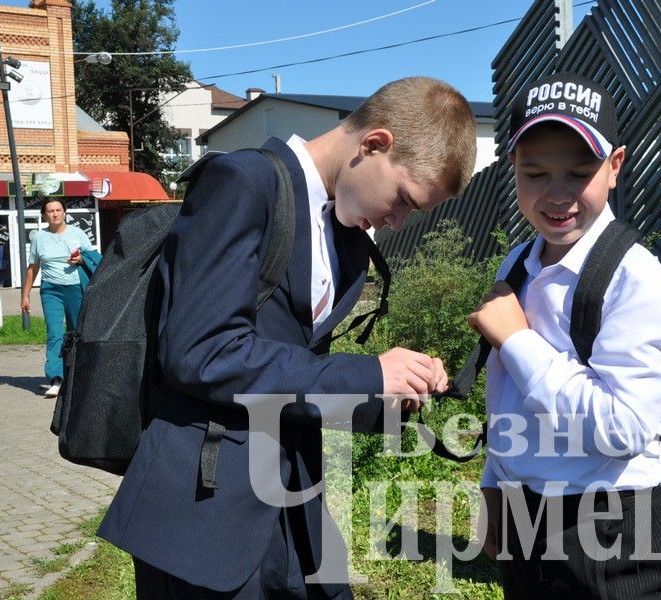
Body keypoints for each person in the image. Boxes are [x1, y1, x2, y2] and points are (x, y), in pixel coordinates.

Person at [98, 76, 478, 599]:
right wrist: (366, 373)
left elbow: (287, 358)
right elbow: (200, 352)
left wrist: (391, 390)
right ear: (374, 144)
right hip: (206, 511)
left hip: (293, 500)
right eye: (404, 200)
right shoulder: (242, 183)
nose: (396, 222)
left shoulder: (344, 237)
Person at [469, 72, 661, 599]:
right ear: (513, 171)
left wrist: (519, 342)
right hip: (527, 509)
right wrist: (495, 483)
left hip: (614, 522)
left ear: (614, 166)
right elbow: (509, 396)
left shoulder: (635, 281)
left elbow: (622, 429)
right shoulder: (520, 263)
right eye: (535, 173)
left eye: (578, 171)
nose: (557, 194)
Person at [21, 198, 94, 398]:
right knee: (54, 333)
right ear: (44, 215)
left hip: (75, 289)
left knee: (76, 332)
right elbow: (33, 267)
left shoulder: (78, 234)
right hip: (51, 290)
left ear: (65, 212)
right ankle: (56, 378)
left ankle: (78, 374)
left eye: (58, 210)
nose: (55, 214)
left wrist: (81, 259)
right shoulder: (38, 237)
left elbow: (95, 258)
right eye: (50, 211)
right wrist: (25, 295)